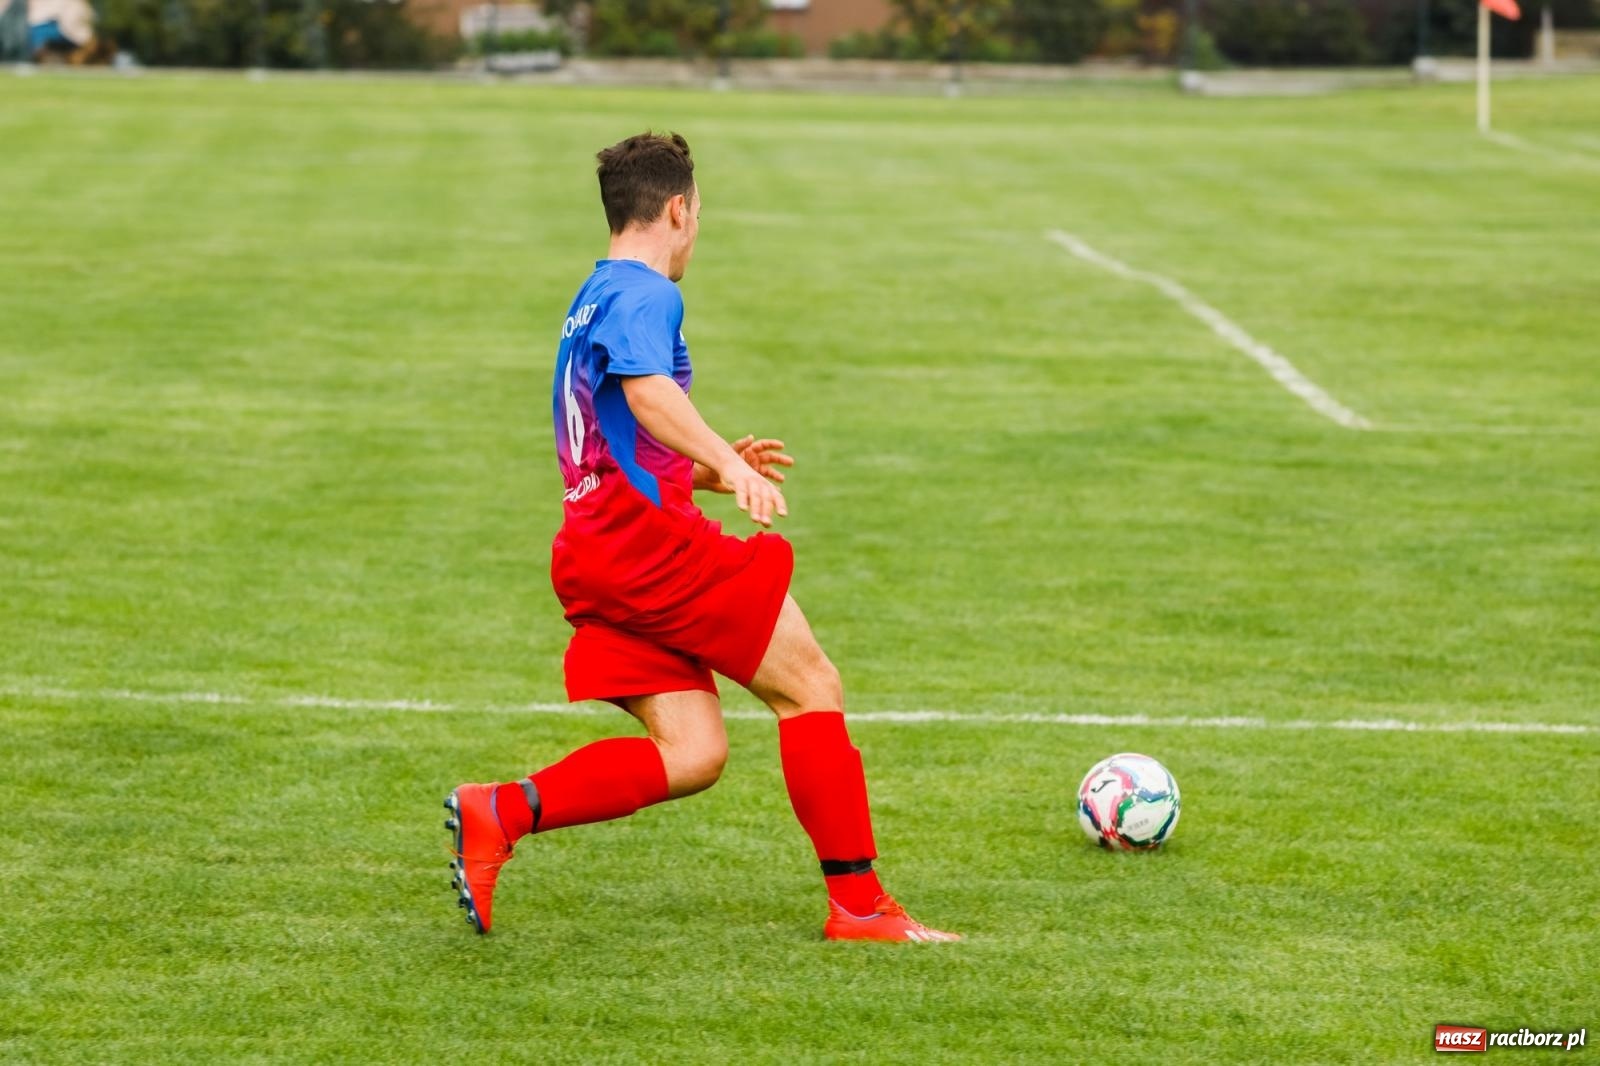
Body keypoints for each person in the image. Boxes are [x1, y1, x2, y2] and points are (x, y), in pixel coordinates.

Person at [444, 131, 958, 944]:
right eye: (698, 217)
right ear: (678, 210)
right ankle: (860, 907)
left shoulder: (591, 295)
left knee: (693, 751)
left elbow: (611, 437)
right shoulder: (650, 295)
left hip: (594, 550)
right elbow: (646, 392)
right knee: (811, 684)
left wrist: (712, 470)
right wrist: (722, 456)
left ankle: (499, 811)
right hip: (651, 552)